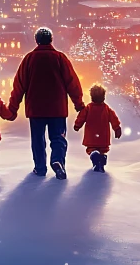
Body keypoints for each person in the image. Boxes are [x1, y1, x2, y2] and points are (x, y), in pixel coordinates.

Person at [9, 27, 85, 179]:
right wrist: (78, 104)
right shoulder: (60, 58)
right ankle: (58, 161)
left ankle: (40, 168)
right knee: (58, 138)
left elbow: (19, 85)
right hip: (57, 108)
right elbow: (72, 83)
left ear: (36, 40)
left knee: (38, 139)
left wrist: (13, 108)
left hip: (35, 109)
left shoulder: (29, 59)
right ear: (51, 39)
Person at [73, 84, 122, 173]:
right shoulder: (107, 109)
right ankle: (102, 160)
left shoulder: (88, 108)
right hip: (103, 136)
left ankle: (95, 157)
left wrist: (77, 125)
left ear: (92, 96)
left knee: (92, 149)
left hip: (91, 136)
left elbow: (81, 117)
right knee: (103, 150)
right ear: (103, 97)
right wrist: (117, 128)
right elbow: (114, 118)